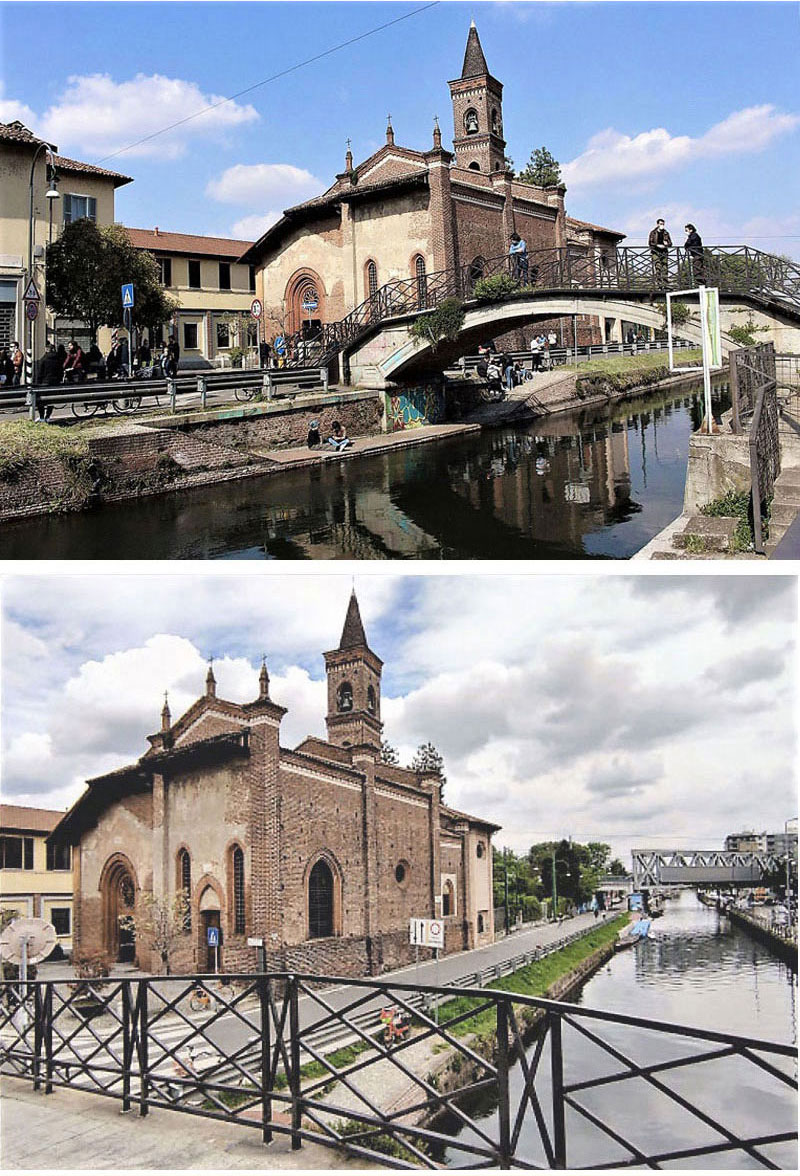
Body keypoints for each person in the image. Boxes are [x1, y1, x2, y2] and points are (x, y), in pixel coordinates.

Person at [648, 218, 672, 286]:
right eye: (661, 224)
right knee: (658, 266)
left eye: (663, 224)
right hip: (655, 251)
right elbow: (650, 243)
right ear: (657, 224)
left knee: (665, 267)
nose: (662, 225)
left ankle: (665, 283)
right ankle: (659, 284)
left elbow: (670, 243)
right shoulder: (653, 232)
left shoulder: (666, 233)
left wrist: (667, 244)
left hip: (664, 252)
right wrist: (657, 245)